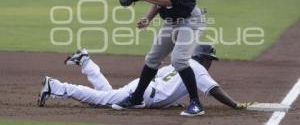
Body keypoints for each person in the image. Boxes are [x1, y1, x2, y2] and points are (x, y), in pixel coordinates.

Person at [112, 0, 207, 116]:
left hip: (190, 20)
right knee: (152, 58)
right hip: (171, 22)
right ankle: (137, 98)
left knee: (179, 60)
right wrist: (148, 18)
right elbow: (158, 2)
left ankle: (196, 103)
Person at [37, 45, 251, 112]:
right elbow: (214, 90)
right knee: (100, 100)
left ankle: (84, 61)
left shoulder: (180, 63)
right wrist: (235, 105)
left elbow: (165, 80)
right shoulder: (197, 69)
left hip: (143, 89)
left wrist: (170, 101)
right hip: (145, 94)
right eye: (210, 59)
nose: (211, 62)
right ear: (203, 58)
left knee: (106, 95)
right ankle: (56, 86)